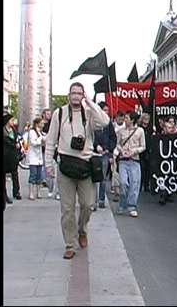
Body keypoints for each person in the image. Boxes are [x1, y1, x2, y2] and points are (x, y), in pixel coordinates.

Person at [44, 82, 110, 259]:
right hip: (65, 165)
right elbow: (50, 141)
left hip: (85, 165)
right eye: (73, 93)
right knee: (67, 209)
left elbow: (105, 121)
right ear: (68, 95)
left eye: (79, 93)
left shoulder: (88, 113)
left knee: (88, 205)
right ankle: (70, 244)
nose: (76, 96)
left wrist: (89, 102)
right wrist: (48, 165)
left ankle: (82, 230)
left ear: (83, 95)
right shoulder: (59, 114)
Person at [115, 111, 146, 217]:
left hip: (135, 160)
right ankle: (122, 204)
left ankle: (132, 206)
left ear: (132, 120)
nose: (125, 120)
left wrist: (134, 151)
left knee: (135, 184)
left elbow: (143, 146)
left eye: (127, 118)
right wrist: (121, 150)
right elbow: (117, 143)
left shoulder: (140, 131)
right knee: (123, 183)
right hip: (123, 160)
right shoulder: (120, 131)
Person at [93, 102, 117, 210]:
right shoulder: (93, 122)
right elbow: (89, 136)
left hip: (105, 154)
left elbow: (113, 138)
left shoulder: (109, 124)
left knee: (102, 178)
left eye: (107, 110)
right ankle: (93, 201)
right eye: (104, 110)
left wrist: (109, 148)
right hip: (93, 154)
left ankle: (101, 199)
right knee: (93, 178)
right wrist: (96, 145)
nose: (106, 112)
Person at [3, 114, 20, 209]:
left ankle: (16, 191)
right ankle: (5, 196)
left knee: (15, 173)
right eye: (11, 120)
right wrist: (14, 144)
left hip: (13, 155)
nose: (13, 122)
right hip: (5, 155)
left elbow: (16, 139)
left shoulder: (13, 130)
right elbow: (6, 141)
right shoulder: (4, 131)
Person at [27, 117, 45, 200]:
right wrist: (41, 139)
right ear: (37, 124)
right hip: (33, 157)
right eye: (41, 123)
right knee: (33, 175)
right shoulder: (32, 132)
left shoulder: (40, 132)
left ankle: (38, 193)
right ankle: (31, 193)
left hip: (39, 158)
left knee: (39, 176)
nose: (43, 124)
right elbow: (33, 143)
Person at [111, 110, 125, 201]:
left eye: (122, 118)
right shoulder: (112, 126)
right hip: (114, 151)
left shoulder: (125, 127)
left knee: (121, 172)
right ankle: (116, 189)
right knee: (114, 171)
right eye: (119, 118)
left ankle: (121, 189)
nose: (121, 120)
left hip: (123, 152)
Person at [139, 112, 152, 193]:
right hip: (141, 151)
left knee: (148, 169)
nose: (146, 121)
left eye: (148, 119)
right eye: (145, 119)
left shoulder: (150, 128)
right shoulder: (140, 128)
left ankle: (146, 185)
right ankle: (140, 185)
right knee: (141, 169)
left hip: (149, 150)